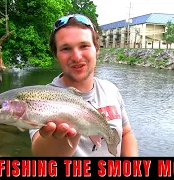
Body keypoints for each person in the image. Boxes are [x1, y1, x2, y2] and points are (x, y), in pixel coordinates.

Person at [29, 14, 138, 157]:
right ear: (56, 55)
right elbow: (41, 153)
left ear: (97, 48)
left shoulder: (111, 90)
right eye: (66, 48)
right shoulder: (39, 98)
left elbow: (126, 134)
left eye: (84, 46)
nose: (76, 57)